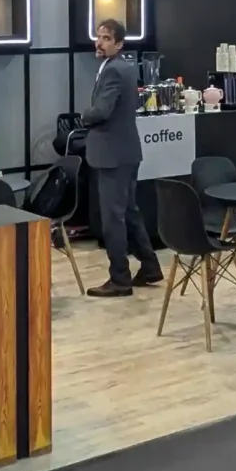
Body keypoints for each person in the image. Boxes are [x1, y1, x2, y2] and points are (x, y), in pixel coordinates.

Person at [77, 17, 161, 297]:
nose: (99, 43)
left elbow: (102, 111)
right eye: (98, 37)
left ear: (119, 43)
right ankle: (150, 267)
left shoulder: (114, 70)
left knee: (113, 219)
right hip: (125, 152)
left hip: (112, 155)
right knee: (128, 212)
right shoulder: (121, 67)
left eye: (106, 39)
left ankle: (120, 279)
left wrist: (84, 116)